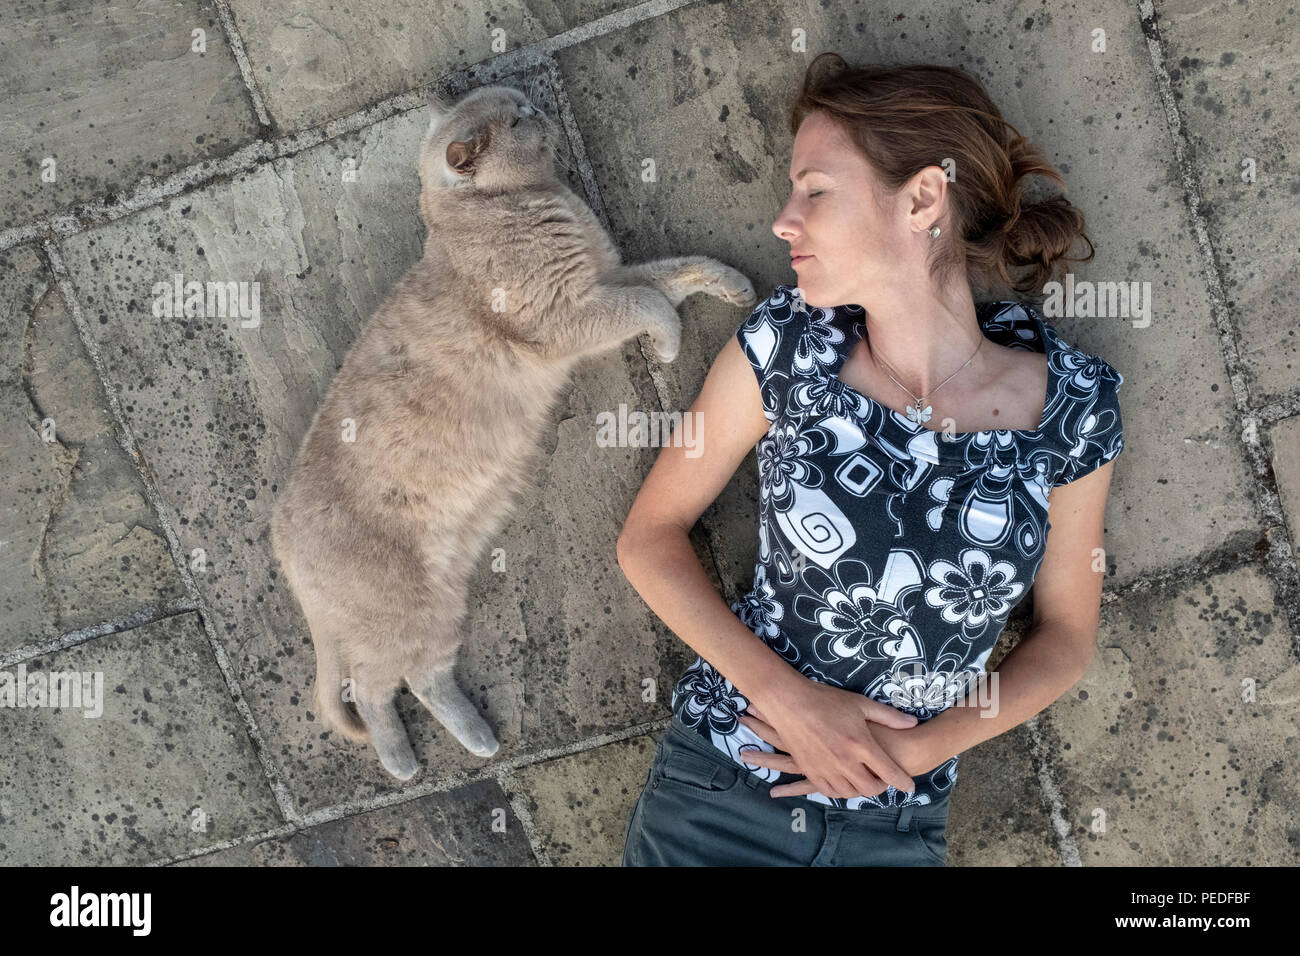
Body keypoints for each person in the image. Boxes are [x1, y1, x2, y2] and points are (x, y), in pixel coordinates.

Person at [616, 52, 1125, 866]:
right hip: (725, 794)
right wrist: (792, 700)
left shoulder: (1072, 407)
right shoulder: (785, 348)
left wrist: (918, 753)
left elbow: (1064, 636)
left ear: (923, 197)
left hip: (893, 827)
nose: (785, 219)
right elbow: (649, 538)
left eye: (814, 190)